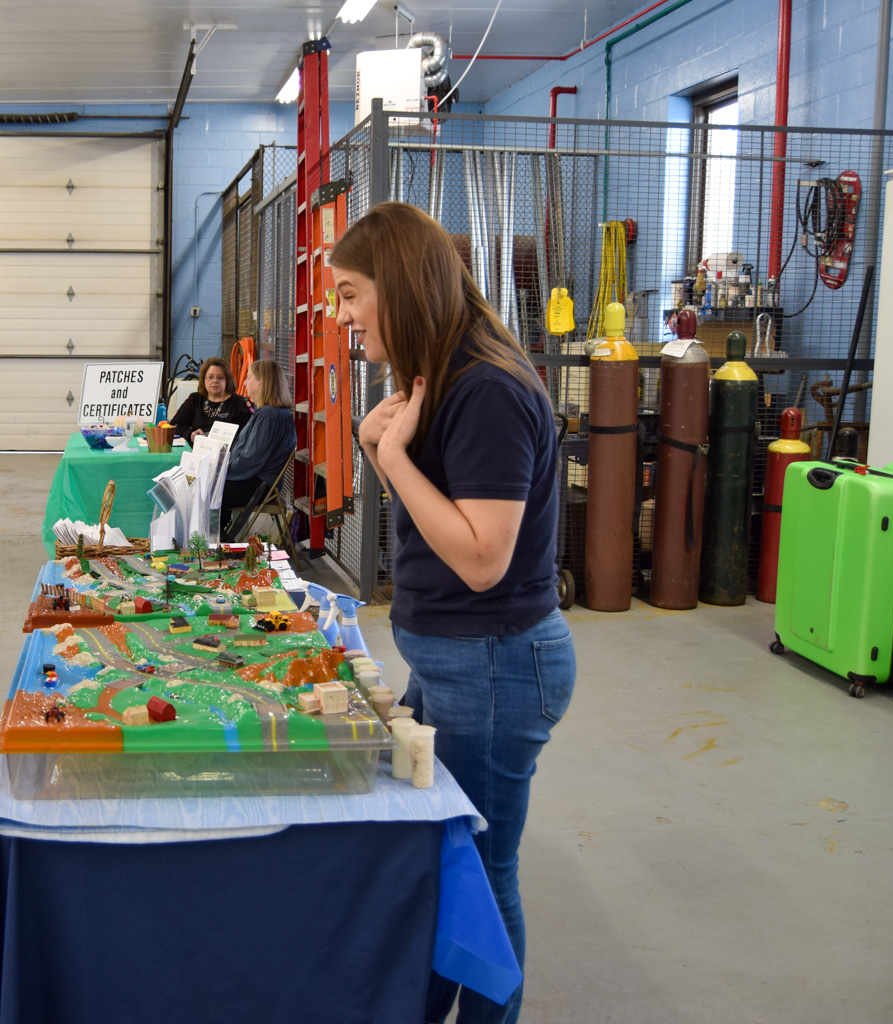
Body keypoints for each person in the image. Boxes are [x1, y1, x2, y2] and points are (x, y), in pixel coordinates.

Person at [332, 202, 576, 1024]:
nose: (342, 316)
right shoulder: (439, 373)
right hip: (455, 661)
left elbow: (480, 559)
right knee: (441, 851)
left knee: (481, 868)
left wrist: (394, 457)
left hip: (497, 665)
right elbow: (438, 518)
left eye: (351, 294)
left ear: (398, 286)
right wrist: (380, 449)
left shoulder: (487, 391)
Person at [221, 359, 296, 511]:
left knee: (202, 492)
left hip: (257, 485)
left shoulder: (268, 415)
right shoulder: (270, 412)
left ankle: (217, 527)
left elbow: (251, 459)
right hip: (257, 482)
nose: (244, 383)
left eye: (249, 377)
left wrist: (222, 471)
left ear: (261, 382)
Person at [168, 356, 252, 442]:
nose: (215, 381)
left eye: (220, 377)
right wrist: (190, 434)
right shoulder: (194, 399)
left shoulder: (240, 404)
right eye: (211, 377)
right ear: (203, 379)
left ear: (227, 380)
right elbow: (174, 426)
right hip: (197, 449)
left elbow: (249, 435)